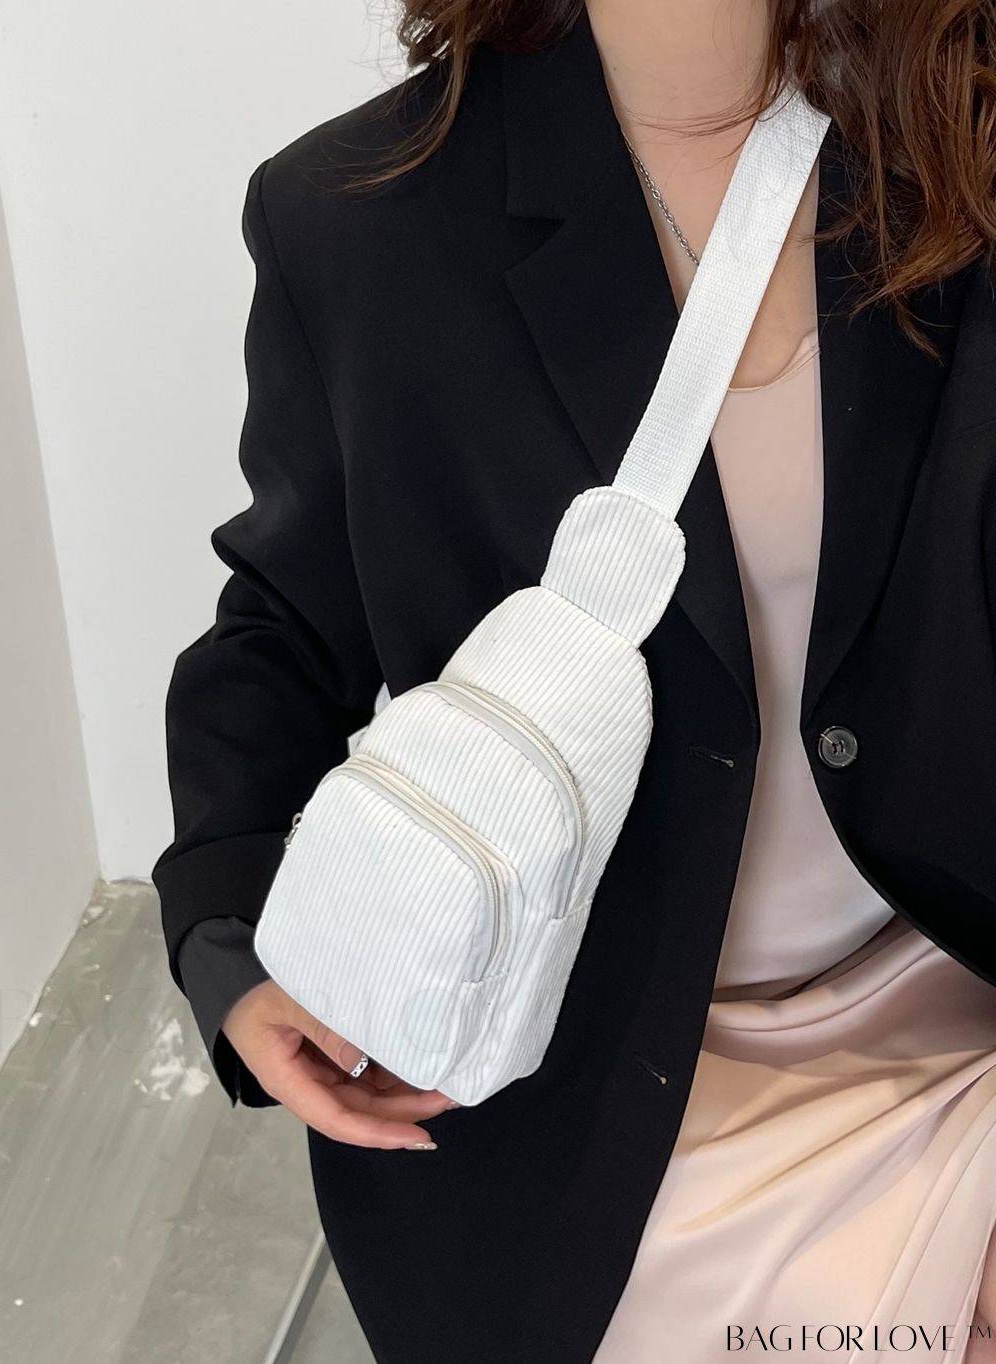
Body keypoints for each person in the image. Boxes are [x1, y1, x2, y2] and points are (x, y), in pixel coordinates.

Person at [151, 1, 996, 1359]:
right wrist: (229, 935)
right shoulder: (362, 220)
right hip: (591, 1073)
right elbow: (283, 626)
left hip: (949, 990)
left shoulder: (954, 139)